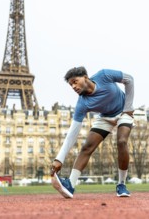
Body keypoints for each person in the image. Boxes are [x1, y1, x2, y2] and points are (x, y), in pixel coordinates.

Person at [51, 66, 134, 198]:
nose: (73, 86)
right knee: (86, 147)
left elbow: (129, 79)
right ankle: (70, 185)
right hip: (105, 117)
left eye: (75, 81)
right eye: (70, 85)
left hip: (123, 111)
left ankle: (121, 184)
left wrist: (128, 107)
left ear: (85, 77)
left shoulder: (104, 75)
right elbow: (72, 134)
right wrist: (59, 159)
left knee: (122, 141)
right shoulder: (82, 104)